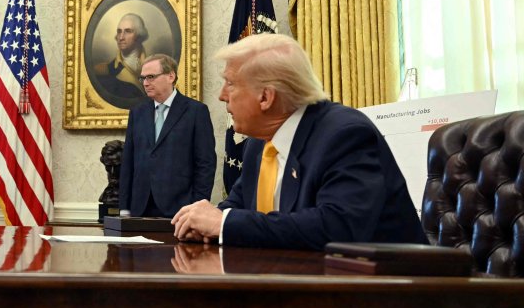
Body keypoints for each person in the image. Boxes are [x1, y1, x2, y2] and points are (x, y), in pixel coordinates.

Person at [171, 34, 427, 250]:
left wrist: (224, 223)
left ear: (265, 97)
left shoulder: (344, 135)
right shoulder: (258, 144)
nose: (221, 95)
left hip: (388, 296)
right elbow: (238, 206)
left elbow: (337, 227)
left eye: (230, 83)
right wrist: (203, 222)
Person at [119, 54, 215, 217]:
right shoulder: (138, 113)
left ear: (171, 76)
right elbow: (128, 162)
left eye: (151, 77)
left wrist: (197, 207)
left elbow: (205, 164)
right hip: (140, 208)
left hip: (180, 209)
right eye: (142, 78)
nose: (145, 83)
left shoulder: (196, 112)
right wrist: (124, 207)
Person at [92, 13, 150, 104]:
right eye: (119, 31)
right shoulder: (103, 72)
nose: (121, 37)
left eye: (128, 31)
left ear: (138, 36)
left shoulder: (155, 67)